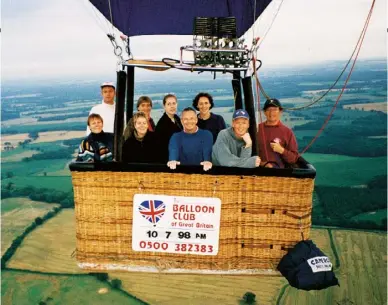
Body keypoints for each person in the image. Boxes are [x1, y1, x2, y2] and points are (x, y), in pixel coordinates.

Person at [257, 98, 299, 168]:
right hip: (258, 173)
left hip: (280, 174)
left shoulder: (287, 132)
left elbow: (294, 159)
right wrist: (262, 164)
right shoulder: (257, 129)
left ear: (280, 111)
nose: (271, 113)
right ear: (264, 112)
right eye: (268, 110)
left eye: (274, 110)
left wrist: (282, 150)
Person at [155, 94, 183, 163]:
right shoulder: (161, 125)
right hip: (169, 161)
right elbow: (160, 149)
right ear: (164, 106)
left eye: (174, 103)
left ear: (177, 104)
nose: (172, 106)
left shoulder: (176, 118)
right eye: (169, 104)